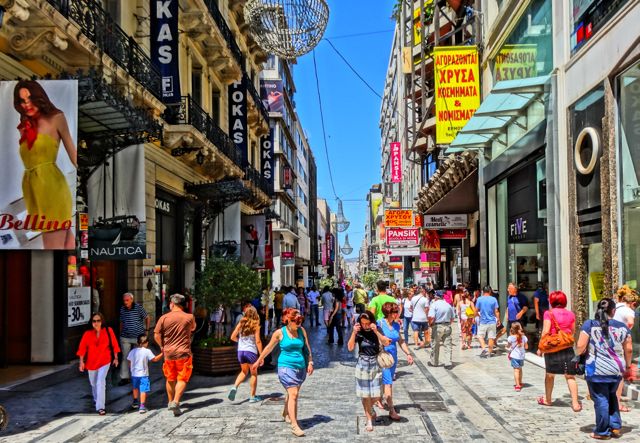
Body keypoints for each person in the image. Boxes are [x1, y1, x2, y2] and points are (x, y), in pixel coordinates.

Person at [13, 80, 77, 249]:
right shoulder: (24, 127)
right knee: (66, 246)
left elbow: (72, 151)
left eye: (30, 99)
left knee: (52, 248)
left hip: (51, 187)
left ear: (39, 97)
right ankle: (70, 276)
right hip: (33, 190)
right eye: (22, 101)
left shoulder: (56, 118)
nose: (27, 104)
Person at [575, 298, 633, 439]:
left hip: (596, 369)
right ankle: (615, 426)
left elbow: (580, 347)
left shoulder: (590, 325)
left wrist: (578, 355)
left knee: (601, 399)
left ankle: (602, 431)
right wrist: (628, 365)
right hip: (616, 369)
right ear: (613, 311)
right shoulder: (622, 327)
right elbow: (629, 349)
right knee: (612, 396)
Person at [252, 308, 314, 437]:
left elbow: (307, 348)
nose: (298, 324)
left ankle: (286, 412)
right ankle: (294, 425)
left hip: (300, 367)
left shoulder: (301, 330)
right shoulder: (279, 333)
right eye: (296, 322)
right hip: (285, 367)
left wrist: (310, 362)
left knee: (291, 394)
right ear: (288, 321)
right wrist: (259, 360)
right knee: (294, 394)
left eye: (300, 321)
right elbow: (269, 347)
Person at [536, 291, 581, 412]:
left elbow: (545, 331)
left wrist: (540, 348)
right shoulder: (571, 314)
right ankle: (575, 403)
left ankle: (548, 399)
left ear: (551, 301)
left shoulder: (548, 313)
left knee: (550, 375)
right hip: (566, 347)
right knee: (570, 376)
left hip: (552, 347)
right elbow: (572, 331)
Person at [348, 311, 391, 433]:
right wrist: (353, 332)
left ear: (372, 322)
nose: (365, 326)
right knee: (365, 395)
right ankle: (369, 420)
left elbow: (386, 342)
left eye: (367, 323)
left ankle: (370, 407)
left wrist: (376, 331)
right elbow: (350, 347)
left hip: (375, 363)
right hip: (362, 364)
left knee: (378, 394)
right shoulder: (359, 332)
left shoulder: (377, 329)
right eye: (363, 323)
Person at [154, 293, 196, 417]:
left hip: (168, 353)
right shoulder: (189, 317)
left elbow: (156, 334)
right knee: (182, 378)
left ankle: (170, 401)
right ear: (182, 305)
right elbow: (193, 328)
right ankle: (176, 402)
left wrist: (162, 346)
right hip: (183, 353)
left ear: (172, 304)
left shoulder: (164, 318)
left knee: (170, 378)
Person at [76, 312, 120, 415]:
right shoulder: (87, 334)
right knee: (93, 383)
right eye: (94, 321)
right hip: (91, 363)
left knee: (100, 381)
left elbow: (114, 345)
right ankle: (97, 399)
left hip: (105, 360)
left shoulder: (108, 331)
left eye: (98, 321)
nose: (96, 323)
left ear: (102, 321)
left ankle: (101, 407)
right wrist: (81, 362)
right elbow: (82, 349)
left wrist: (116, 358)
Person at [376, 302, 414, 420]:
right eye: (395, 312)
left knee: (386, 381)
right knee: (388, 383)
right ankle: (391, 410)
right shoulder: (379, 324)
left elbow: (401, 341)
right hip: (384, 357)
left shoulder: (397, 325)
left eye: (397, 311)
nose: (398, 313)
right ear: (388, 313)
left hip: (393, 357)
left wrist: (408, 353)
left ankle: (378, 399)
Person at [229, 306, 264, 403]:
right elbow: (258, 341)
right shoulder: (256, 325)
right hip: (251, 352)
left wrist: (240, 342)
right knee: (253, 374)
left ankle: (234, 387)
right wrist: (261, 356)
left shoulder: (241, 323)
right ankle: (252, 397)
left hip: (241, 351)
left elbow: (232, 337)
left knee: (244, 372)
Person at [613, 285, 638, 412]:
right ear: (632, 303)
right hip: (618, 345)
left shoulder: (615, 306)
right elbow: (630, 321)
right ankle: (617, 404)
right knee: (619, 375)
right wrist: (628, 365)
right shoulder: (629, 311)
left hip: (604, 343)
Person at [118, 292, 150, 385]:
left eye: (127, 300)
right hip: (125, 337)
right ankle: (125, 377)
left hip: (137, 337)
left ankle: (139, 376)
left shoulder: (138, 308)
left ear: (132, 300)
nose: (125, 302)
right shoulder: (122, 309)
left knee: (138, 357)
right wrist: (120, 334)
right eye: (124, 300)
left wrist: (147, 330)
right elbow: (121, 322)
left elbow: (147, 317)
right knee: (125, 357)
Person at [127, 334, 162, 413]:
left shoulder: (133, 351)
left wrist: (131, 369)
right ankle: (142, 406)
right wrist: (162, 353)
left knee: (135, 388)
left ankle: (135, 402)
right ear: (146, 343)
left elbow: (129, 361)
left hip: (134, 374)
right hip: (144, 375)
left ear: (137, 342)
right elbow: (154, 359)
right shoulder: (147, 351)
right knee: (143, 390)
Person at [428, 290, 455, 368]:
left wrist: (430, 324)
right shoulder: (448, 305)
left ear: (436, 296)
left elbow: (431, 317)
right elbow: (452, 318)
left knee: (435, 344)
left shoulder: (434, 305)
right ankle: (448, 363)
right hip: (447, 326)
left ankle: (434, 362)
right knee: (447, 345)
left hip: (437, 326)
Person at [475, 286, 500, 358]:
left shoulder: (479, 299)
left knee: (480, 336)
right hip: (492, 321)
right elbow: (496, 311)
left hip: (483, 321)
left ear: (483, 291)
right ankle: (489, 353)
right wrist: (498, 319)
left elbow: (476, 310)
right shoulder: (494, 299)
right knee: (491, 337)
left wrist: (476, 316)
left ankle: (484, 349)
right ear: (490, 291)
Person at [507, 322, 528, 392]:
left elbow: (508, 346)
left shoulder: (511, 338)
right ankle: (520, 382)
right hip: (521, 356)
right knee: (520, 369)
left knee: (516, 370)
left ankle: (517, 385)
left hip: (515, 356)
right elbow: (526, 347)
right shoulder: (524, 337)